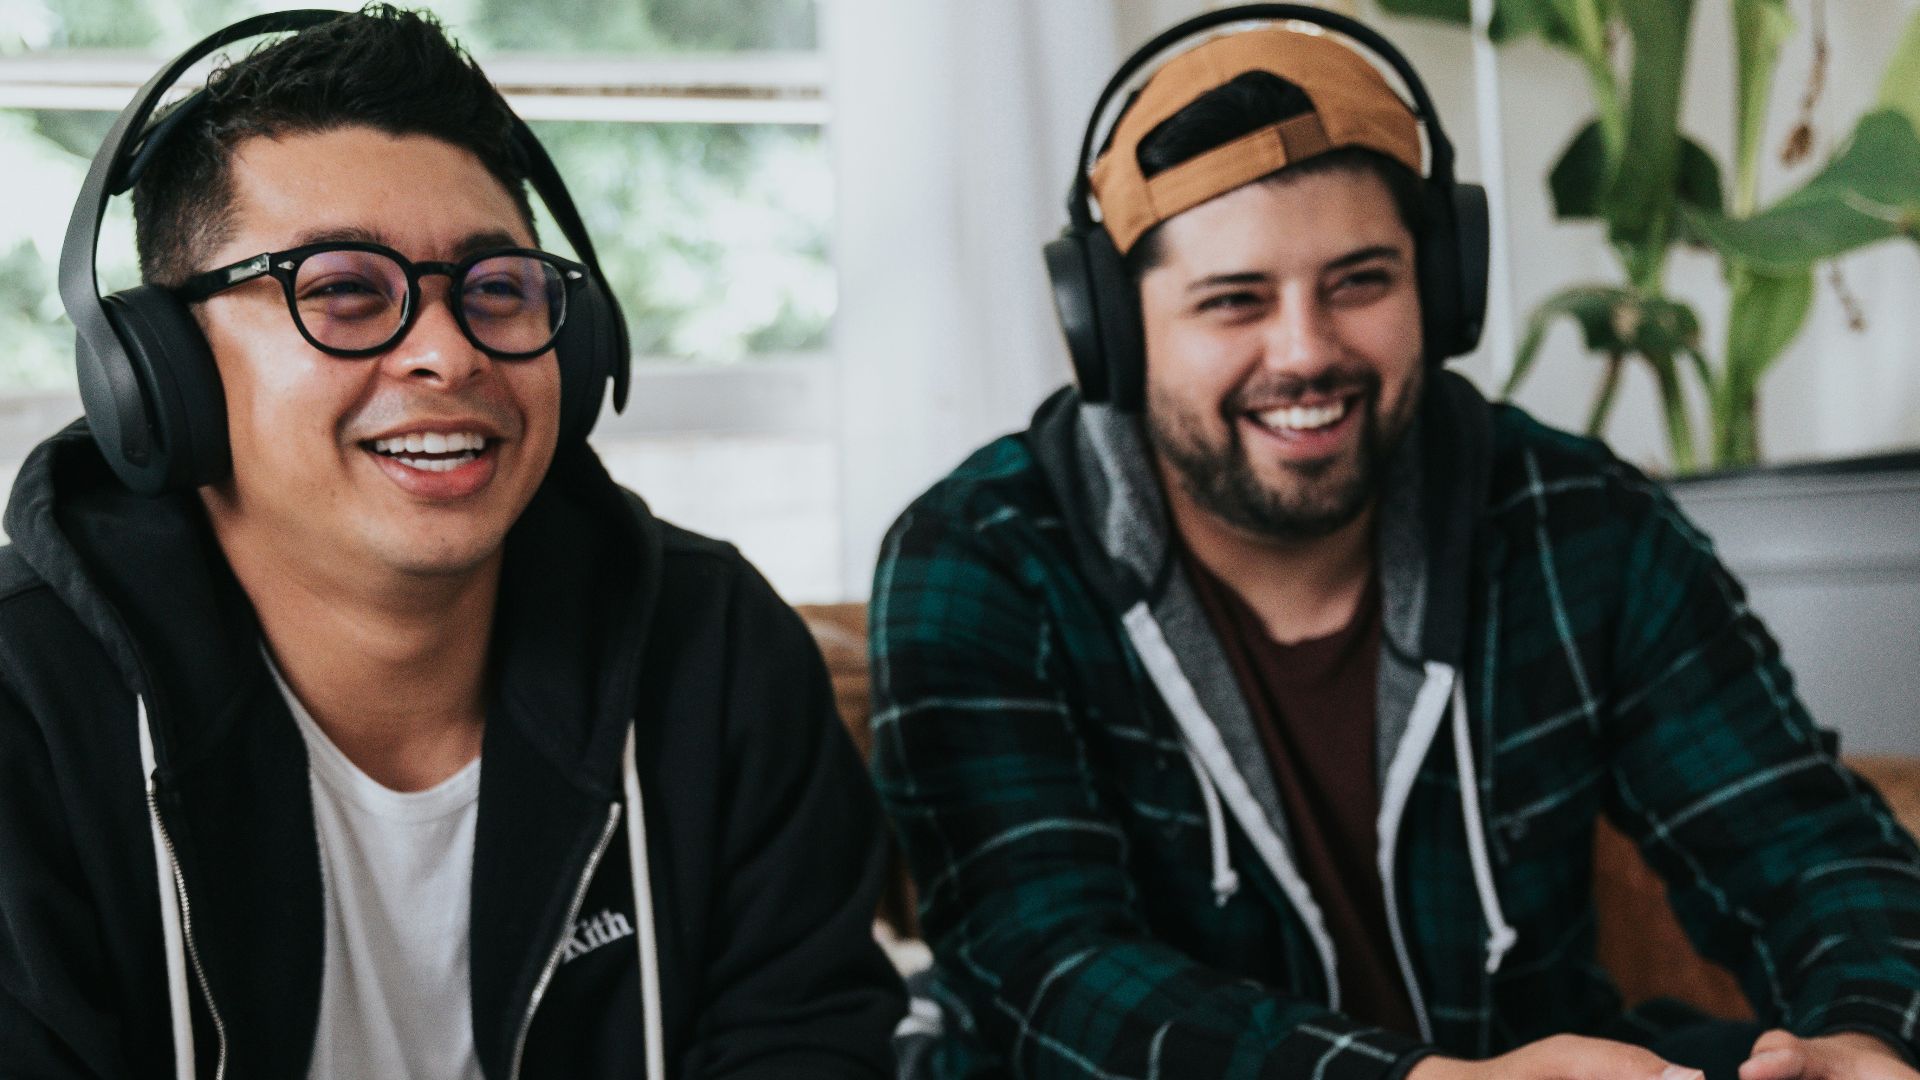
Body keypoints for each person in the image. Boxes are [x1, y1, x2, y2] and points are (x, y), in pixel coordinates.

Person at [867, 7, 1920, 1080]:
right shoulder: (981, 560)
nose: (1307, 351)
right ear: (1114, 333)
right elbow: (1046, 970)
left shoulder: (1578, 520)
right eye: (1234, 301)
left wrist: (1865, 1031)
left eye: (1360, 281)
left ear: (1442, 287)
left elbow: (1806, 848)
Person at [0, 7, 901, 1078]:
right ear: (159, 374)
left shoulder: (714, 653)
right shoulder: (25, 709)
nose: (446, 352)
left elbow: (809, 1044)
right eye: (341, 289)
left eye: (497, 290)